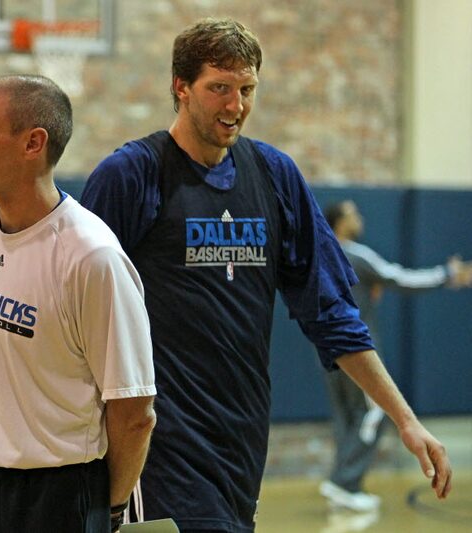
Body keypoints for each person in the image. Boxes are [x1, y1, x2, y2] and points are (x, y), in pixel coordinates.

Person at [80, 17, 453, 533]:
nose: (235, 106)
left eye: (247, 89)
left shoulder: (275, 176)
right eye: (220, 88)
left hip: (243, 434)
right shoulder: (131, 175)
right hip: (158, 438)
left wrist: (404, 418)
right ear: (181, 87)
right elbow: (76, 312)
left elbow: (332, 315)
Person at [0, 75, 157, 533]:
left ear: (33, 143)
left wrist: (109, 510)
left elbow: (134, 413)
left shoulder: (93, 257)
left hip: (52, 494)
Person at [319, 199, 472, 511]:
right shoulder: (355, 254)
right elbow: (400, 278)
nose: (359, 216)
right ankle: (343, 482)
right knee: (373, 413)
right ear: (338, 221)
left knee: (348, 418)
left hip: (327, 348)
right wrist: (446, 273)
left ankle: (344, 483)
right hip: (357, 351)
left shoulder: (322, 255)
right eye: (353, 212)